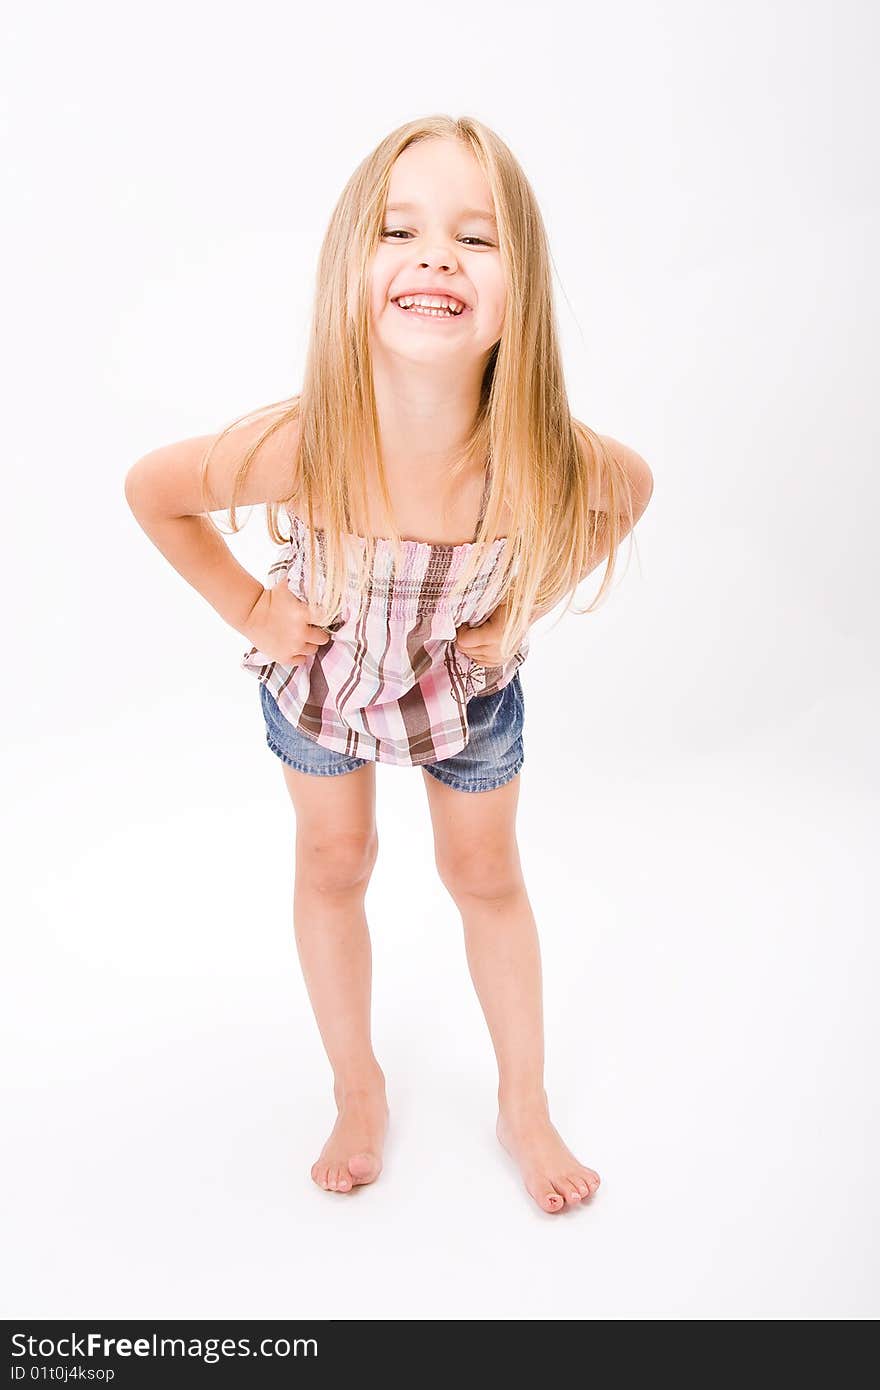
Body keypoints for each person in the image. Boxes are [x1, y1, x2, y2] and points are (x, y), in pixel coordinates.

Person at [124, 114, 654, 1215]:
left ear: (521, 292)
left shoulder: (539, 455)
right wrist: (257, 609)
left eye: (477, 236)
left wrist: (517, 610)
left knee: (484, 877)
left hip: (467, 699)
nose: (434, 255)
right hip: (324, 689)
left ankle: (524, 1101)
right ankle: (357, 1086)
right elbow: (154, 490)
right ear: (352, 274)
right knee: (334, 863)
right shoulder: (307, 442)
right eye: (399, 228)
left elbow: (629, 491)